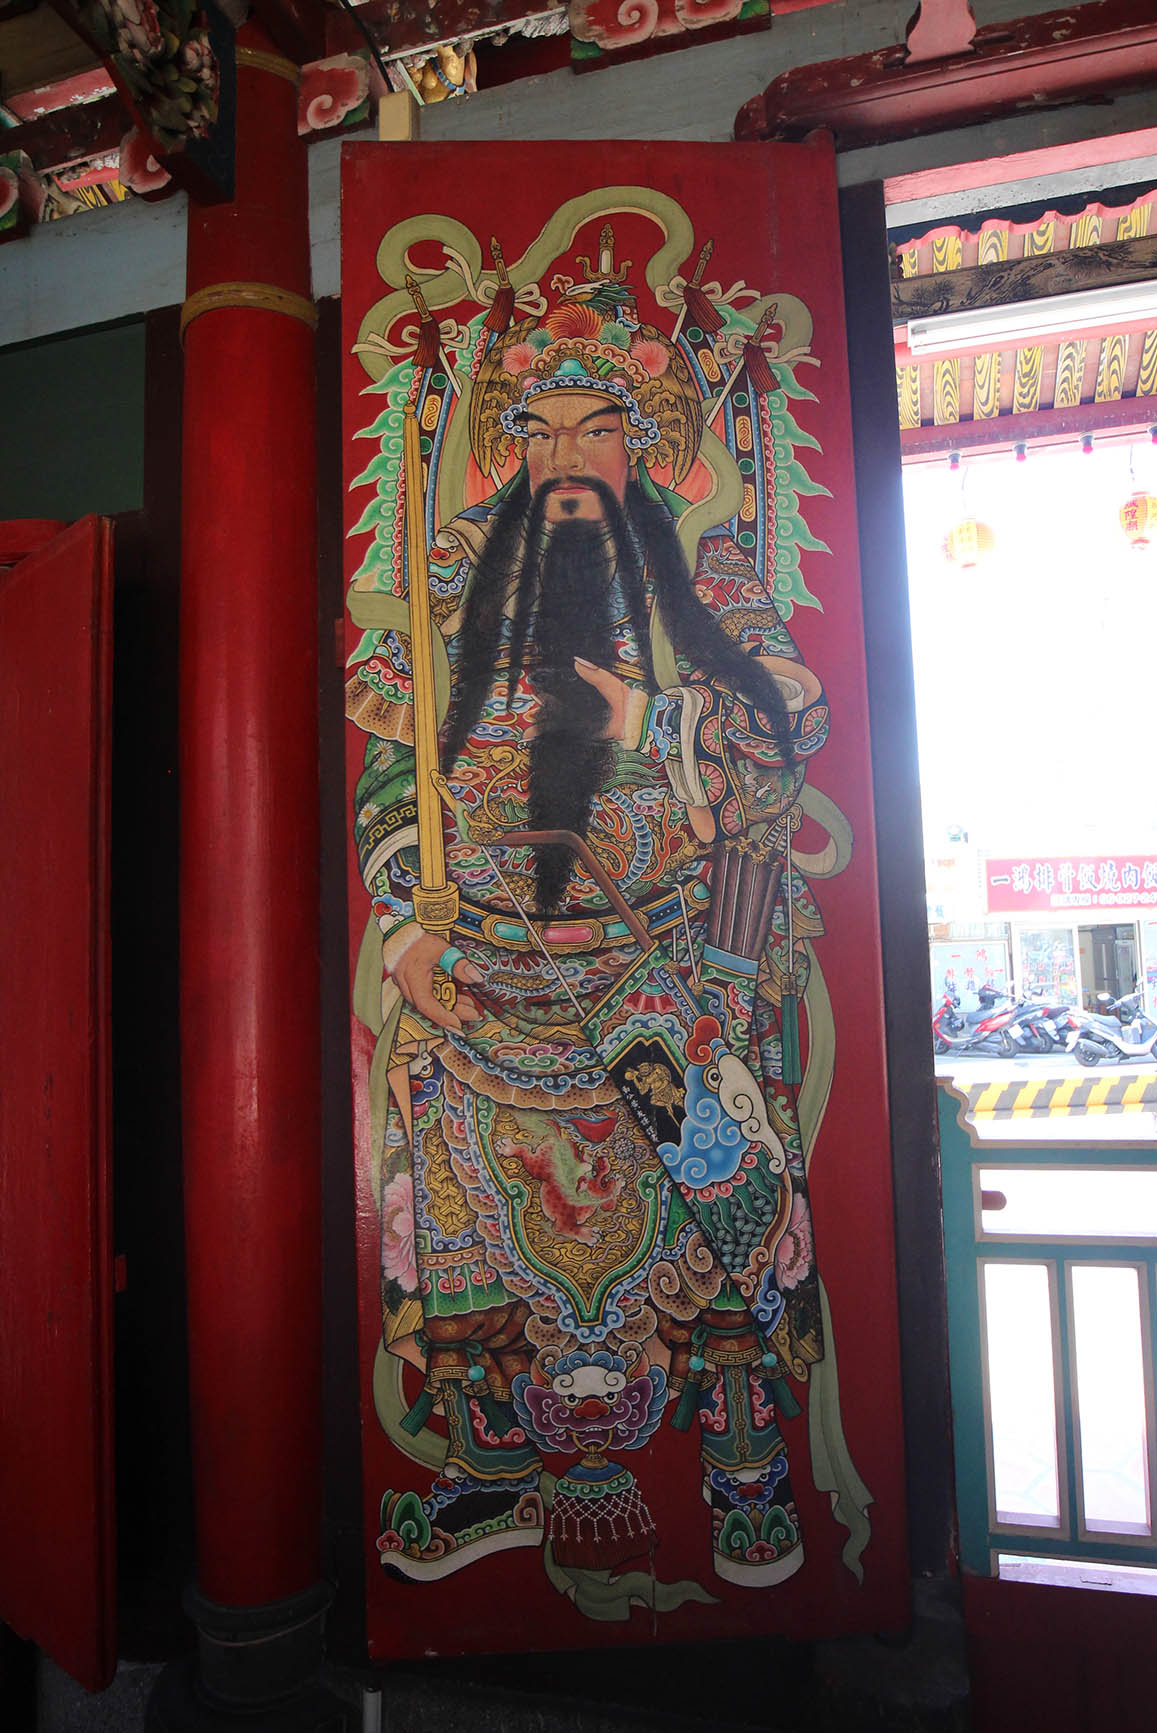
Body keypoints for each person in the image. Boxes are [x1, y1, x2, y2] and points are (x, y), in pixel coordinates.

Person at [348, 259, 830, 1596]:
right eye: (540, 429)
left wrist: (656, 718)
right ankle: (491, 1458)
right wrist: (408, 924)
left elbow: (788, 725)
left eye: (597, 426)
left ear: (645, 441)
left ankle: (741, 1448)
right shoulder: (460, 571)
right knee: (453, 1178)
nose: (564, 456)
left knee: (704, 1189)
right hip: (481, 949)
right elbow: (391, 759)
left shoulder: (701, 572)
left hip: (656, 945)